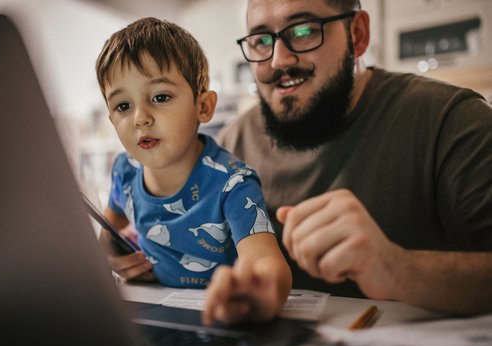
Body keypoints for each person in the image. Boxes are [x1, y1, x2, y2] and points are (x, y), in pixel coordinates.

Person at [212, 0, 492, 320]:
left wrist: (398, 268)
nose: (278, 59)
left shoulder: (449, 121)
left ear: (357, 34)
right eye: (261, 40)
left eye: (304, 31)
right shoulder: (232, 145)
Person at [94, 17, 291, 324]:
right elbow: (109, 231)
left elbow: (266, 262)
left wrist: (257, 296)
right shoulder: (124, 171)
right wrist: (110, 256)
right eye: (123, 106)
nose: (140, 118)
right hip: (154, 313)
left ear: (204, 107)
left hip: (220, 316)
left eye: (160, 97)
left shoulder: (234, 183)